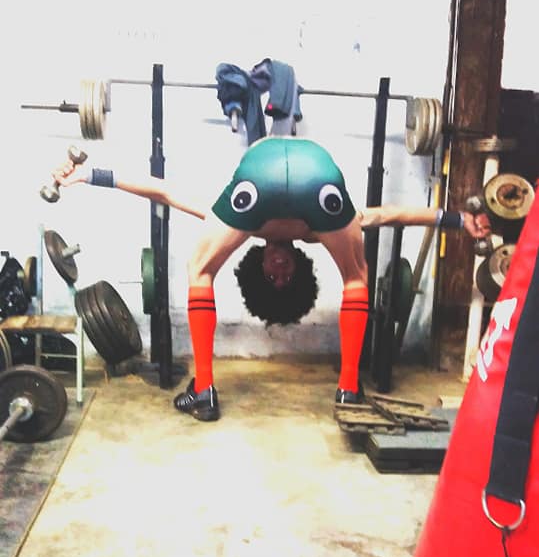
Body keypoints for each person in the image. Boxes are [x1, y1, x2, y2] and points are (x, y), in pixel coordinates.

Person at [53, 135, 491, 422]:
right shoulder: (317, 230)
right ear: (298, 265)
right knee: (357, 277)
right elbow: (391, 215)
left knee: (200, 271)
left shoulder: (243, 221)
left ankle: (204, 390)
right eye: (286, 278)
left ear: (259, 265)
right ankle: (348, 390)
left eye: (271, 278)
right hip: (320, 180)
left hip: (259, 180)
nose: (279, 272)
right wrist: (458, 220)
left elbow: (164, 191)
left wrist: (90, 175)